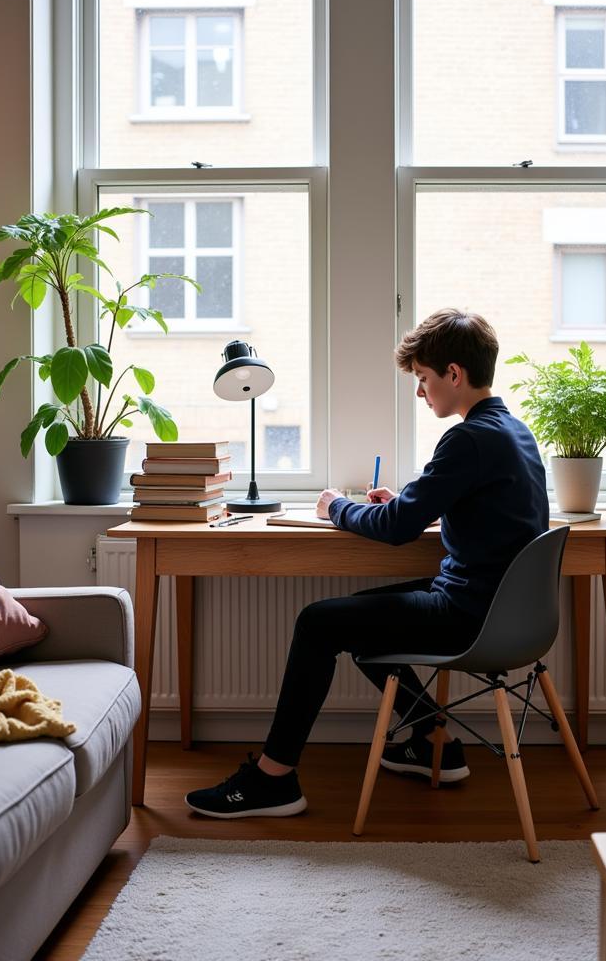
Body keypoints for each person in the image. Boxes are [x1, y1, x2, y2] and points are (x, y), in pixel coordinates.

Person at [185, 308, 549, 819]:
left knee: (318, 623)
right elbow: (479, 513)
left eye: (423, 379)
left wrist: (334, 505)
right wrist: (404, 502)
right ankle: (432, 742)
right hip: (507, 612)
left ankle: (274, 778)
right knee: (360, 619)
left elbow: (399, 530)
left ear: (454, 374)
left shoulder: (467, 438)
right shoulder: (514, 431)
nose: (421, 393)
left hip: (470, 615)